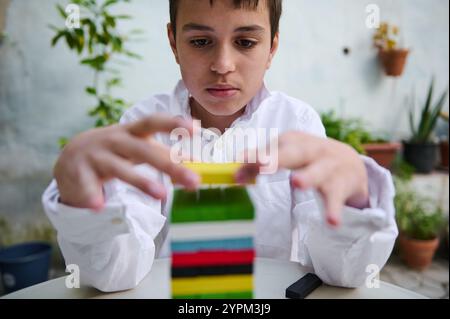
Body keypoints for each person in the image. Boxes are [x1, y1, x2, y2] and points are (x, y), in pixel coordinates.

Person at [42, 0, 398, 292]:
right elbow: (110, 274)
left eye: (245, 42)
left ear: (272, 47)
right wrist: (84, 205)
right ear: (173, 43)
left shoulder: (298, 125)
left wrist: (356, 200)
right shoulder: (143, 126)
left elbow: (343, 273)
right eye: (200, 41)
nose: (222, 65)